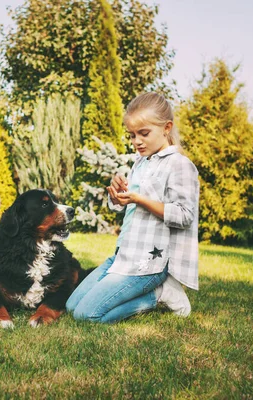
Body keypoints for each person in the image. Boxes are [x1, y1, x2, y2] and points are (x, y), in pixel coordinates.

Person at [66, 92, 200, 323]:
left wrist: (140, 199)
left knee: (87, 316)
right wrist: (118, 197)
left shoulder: (179, 165)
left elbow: (185, 215)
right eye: (132, 135)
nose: (136, 141)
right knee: (71, 306)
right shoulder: (140, 162)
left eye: (143, 133)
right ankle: (153, 293)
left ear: (166, 127)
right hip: (123, 255)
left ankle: (158, 294)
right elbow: (127, 208)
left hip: (148, 263)